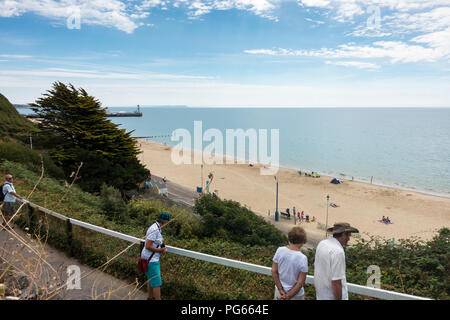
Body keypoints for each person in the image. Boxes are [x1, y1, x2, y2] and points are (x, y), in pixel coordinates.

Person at [314, 222, 359, 300]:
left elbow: (316, 265)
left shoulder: (322, 243)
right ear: (343, 234)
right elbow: (336, 282)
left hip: (321, 295)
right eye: (348, 235)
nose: (349, 239)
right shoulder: (338, 251)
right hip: (331, 296)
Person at [272, 227, 308, 300]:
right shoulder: (302, 258)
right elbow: (300, 283)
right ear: (302, 241)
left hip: (279, 292)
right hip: (295, 295)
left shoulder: (280, 250)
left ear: (289, 238)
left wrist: (280, 289)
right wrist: (288, 296)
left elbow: (274, 271)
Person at [141, 212, 171, 300]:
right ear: (164, 221)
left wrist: (161, 245)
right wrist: (161, 250)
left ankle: (150, 298)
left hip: (148, 258)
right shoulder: (154, 229)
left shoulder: (156, 227)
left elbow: (156, 242)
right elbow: (148, 246)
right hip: (151, 260)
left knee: (150, 280)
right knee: (157, 283)